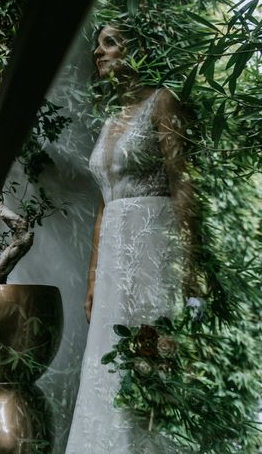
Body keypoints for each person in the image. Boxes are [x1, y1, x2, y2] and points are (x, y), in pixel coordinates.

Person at [65, 25, 192, 453]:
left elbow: (184, 185)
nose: (99, 53)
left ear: (136, 49)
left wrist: (189, 268)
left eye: (110, 42)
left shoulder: (162, 102)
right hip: (115, 264)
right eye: (98, 45)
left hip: (153, 252)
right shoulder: (108, 121)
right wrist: (92, 279)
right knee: (108, 370)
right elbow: (104, 204)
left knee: (149, 367)